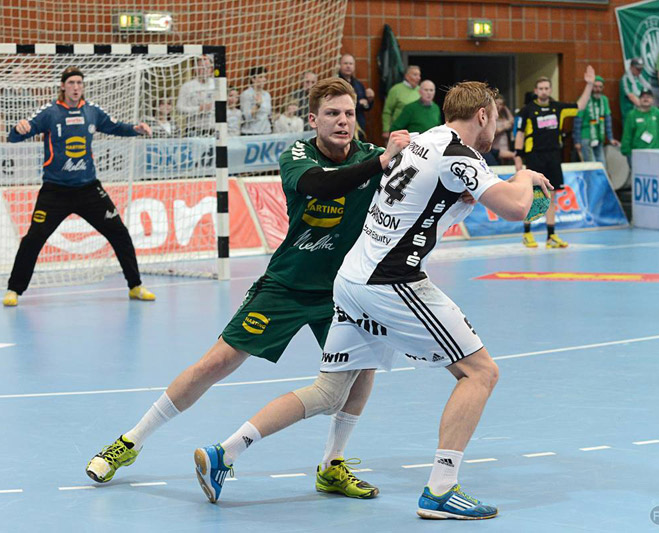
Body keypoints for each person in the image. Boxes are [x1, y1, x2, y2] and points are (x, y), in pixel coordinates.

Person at [194, 81, 552, 520]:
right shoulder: (459, 154)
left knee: (329, 391)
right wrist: (524, 176)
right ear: (482, 115)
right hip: (392, 281)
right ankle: (441, 489)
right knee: (480, 372)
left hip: (351, 278)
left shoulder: (424, 141)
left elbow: (435, 194)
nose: (496, 127)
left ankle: (224, 453)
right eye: (495, 118)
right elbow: (517, 208)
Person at [86, 78, 412, 503]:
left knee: (362, 370)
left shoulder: (372, 156)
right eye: (332, 113)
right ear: (313, 120)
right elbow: (321, 185)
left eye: (349, 113)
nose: (342, 121)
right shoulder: (298, 156)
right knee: (217, 362)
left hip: (343, 292)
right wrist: (382, 161)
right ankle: (130, 442)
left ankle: (333, 464)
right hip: (287, 284)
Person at [1, 66, 156, 307]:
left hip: (88, 190)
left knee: (119, 233)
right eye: (71, 83)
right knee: (33, 239)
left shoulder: (91, 111)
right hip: (55, 191)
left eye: (79, 83)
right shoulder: (50, 113)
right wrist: (18, 129)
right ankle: (14, 290)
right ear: (63, 86)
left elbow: (115, 126)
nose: (76, 87)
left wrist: (135, 129)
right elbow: (15, 136)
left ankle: (135, 286)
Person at [514, 67, 595, 249]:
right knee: (532, 196)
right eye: (540, 88)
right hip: (534, 157)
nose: (544, 91)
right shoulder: (527, 110)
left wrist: (589, 85)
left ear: (550, 90)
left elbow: (580, 106)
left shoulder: (558, 108)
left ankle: (551, 236)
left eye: (546, 88)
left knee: (551, 196)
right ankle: (527, 233)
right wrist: (518, 157)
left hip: (553, 157)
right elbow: (520, 134)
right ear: (536, 91)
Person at [621, 89, 659, 164]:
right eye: (643, 97)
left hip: (655, 153)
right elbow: (627, 135)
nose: (646, 99)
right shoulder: (632, 115)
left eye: (648, 97)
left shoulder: (657, 113)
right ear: (639, 99)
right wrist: (627, 151)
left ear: (653, 100)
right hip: (638, 153)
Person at [573, 76, 620, 167]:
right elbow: (577, 121)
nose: (597, 89)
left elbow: (608, 120)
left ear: (603, 88)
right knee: (592, 166)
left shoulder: (604, 100)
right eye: (595, 86)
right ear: (591, 87)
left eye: (600, 87)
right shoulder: (584, 99)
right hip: (586, 136)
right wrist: (577, 141)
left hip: (599, 136)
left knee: (602, 165)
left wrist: (610, 138)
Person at [176, 55, 216, 137]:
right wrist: (199, 109)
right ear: (196, 69)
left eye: (207, 67)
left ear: (211, 69)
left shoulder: (216, 85)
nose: (205, 70)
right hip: (194, 129)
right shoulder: (187, 86)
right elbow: (179, 108)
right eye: (202, 67)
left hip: (213, 129)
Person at [338, 54, 374, 141]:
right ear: (340, 65)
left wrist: (370, 100)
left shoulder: (358, 84)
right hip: (343, 124)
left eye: (351, 64)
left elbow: (366, 107)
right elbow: (339, 104)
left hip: (359, 125)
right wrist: (359, 104)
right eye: (345, 63)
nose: (348, 66)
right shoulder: (336, 83)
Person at [382, 65, 422, 140]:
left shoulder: (421, 90)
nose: (418, 78)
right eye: (415, 75)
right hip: (399, 131)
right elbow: (387, 111)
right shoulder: (396, 90)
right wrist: (386, 129)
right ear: (407, 76)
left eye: (419, 75)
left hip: (416, 133)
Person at [240, 66, 272, 135]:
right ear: (253, 79)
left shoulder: (267, 95)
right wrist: (257, 105)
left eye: (265, 77)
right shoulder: (246, 94)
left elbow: (268, 114)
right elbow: (246, 117)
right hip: (251, 132)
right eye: (261, 77)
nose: (264, 79)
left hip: (266, 132)